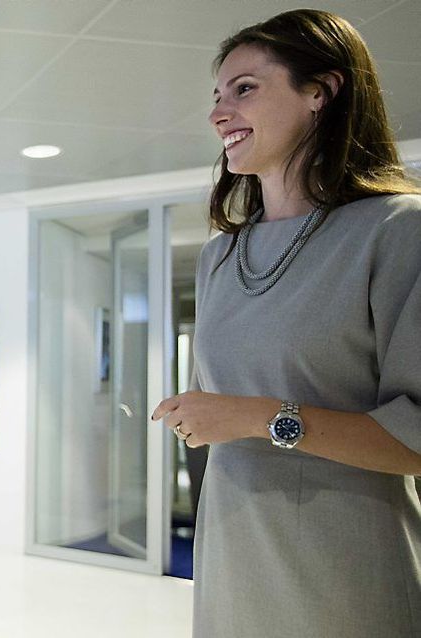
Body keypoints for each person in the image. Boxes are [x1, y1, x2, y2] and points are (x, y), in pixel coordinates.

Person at [151, 9, 421, 637]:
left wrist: (254, 416)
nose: (220, 113)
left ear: (320, 93)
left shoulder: (396, 232)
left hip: (345, 570)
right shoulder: (220, 254)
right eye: (217, 97)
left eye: (244, 88)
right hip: (229, 555)